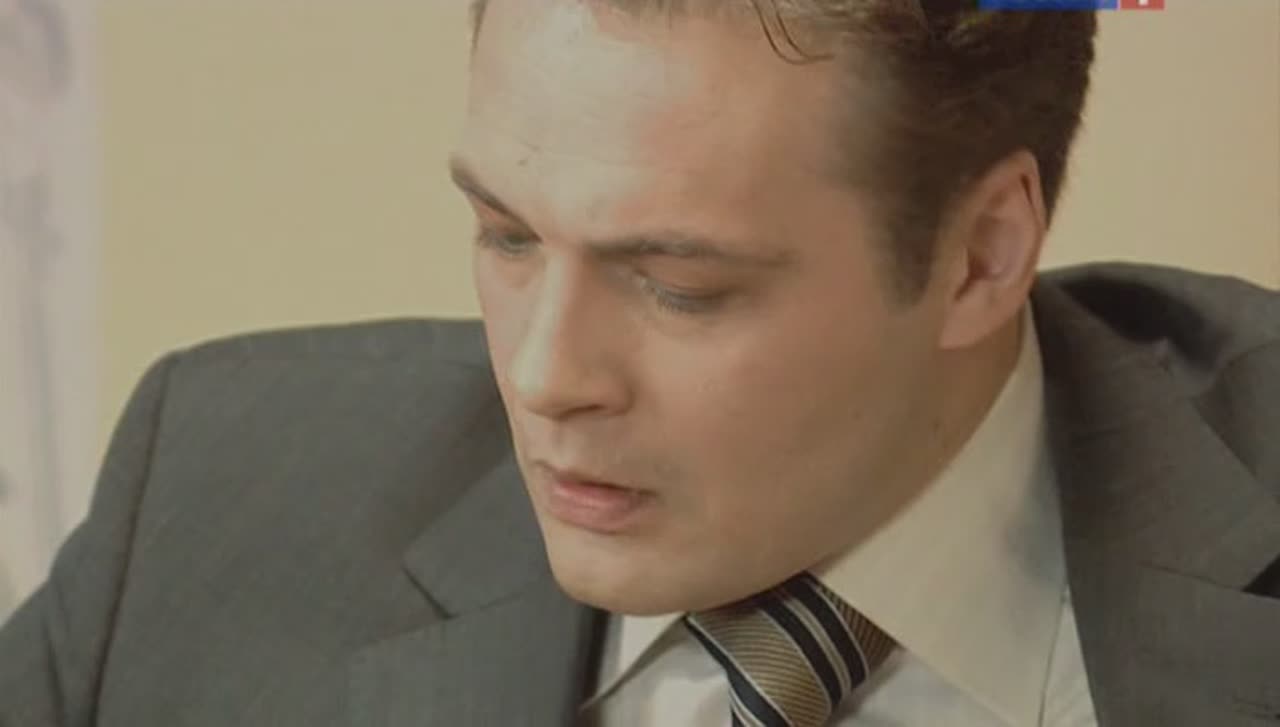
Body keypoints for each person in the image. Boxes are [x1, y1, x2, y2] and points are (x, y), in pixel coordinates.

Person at [2, 0, 1277, 725]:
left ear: (979, 256)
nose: (543, 375)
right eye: (504, 235)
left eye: (678, 286)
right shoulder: (209, 496)